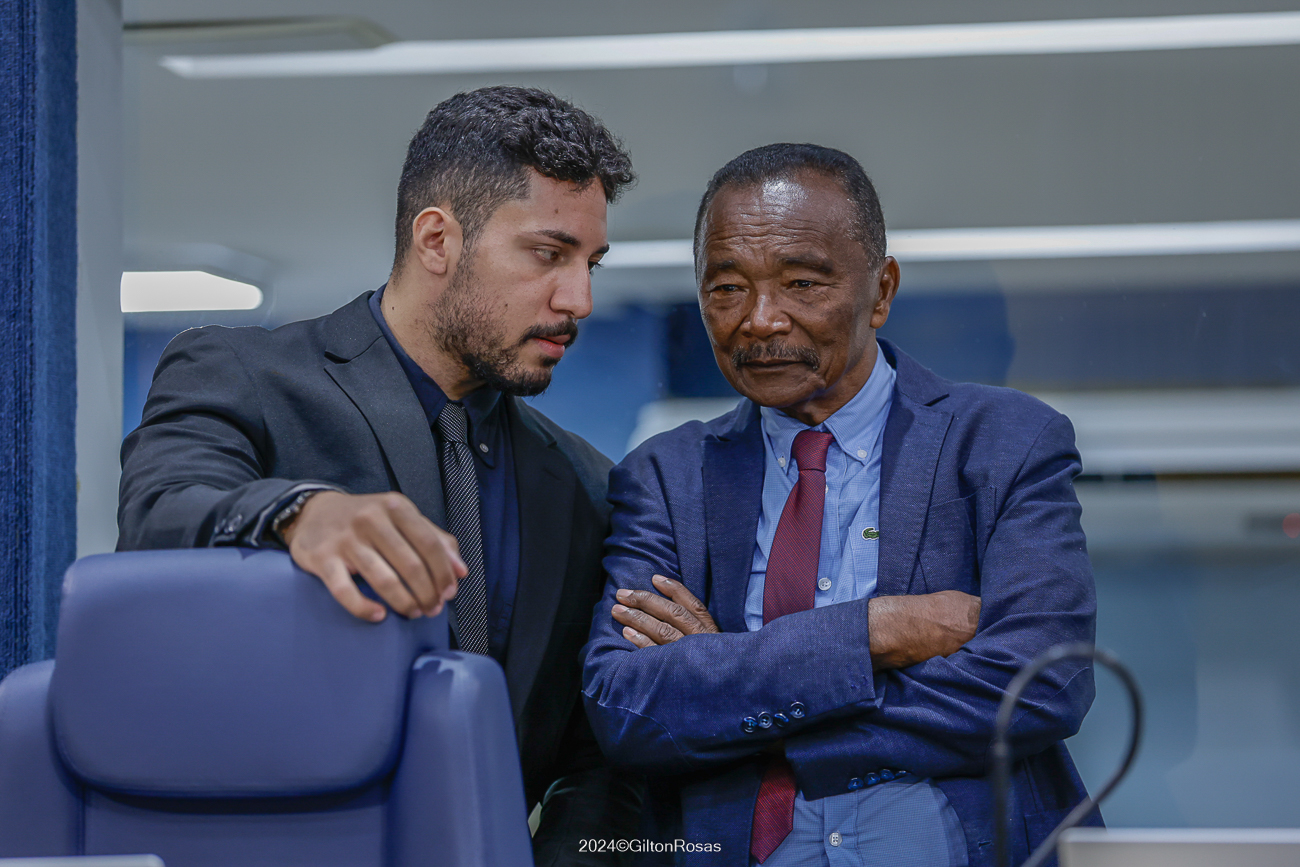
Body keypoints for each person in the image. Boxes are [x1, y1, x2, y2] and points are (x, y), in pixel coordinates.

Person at [119, 85, 639, 864]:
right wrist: (299, 513)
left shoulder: (586, 485)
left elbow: (596, 760)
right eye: (548, 253)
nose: (581, 298)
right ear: (436, 240)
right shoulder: (241, 375)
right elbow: (159, 511)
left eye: (590, 263)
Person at [581, 144, 1098, 867]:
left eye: (801, 282)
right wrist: (873, 634)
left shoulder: (1003, 443)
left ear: (881, 291)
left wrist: (741, 693)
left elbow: (1043, 683)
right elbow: (628, 707)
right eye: (726, 288)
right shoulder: (666, 477)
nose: (761, 320)